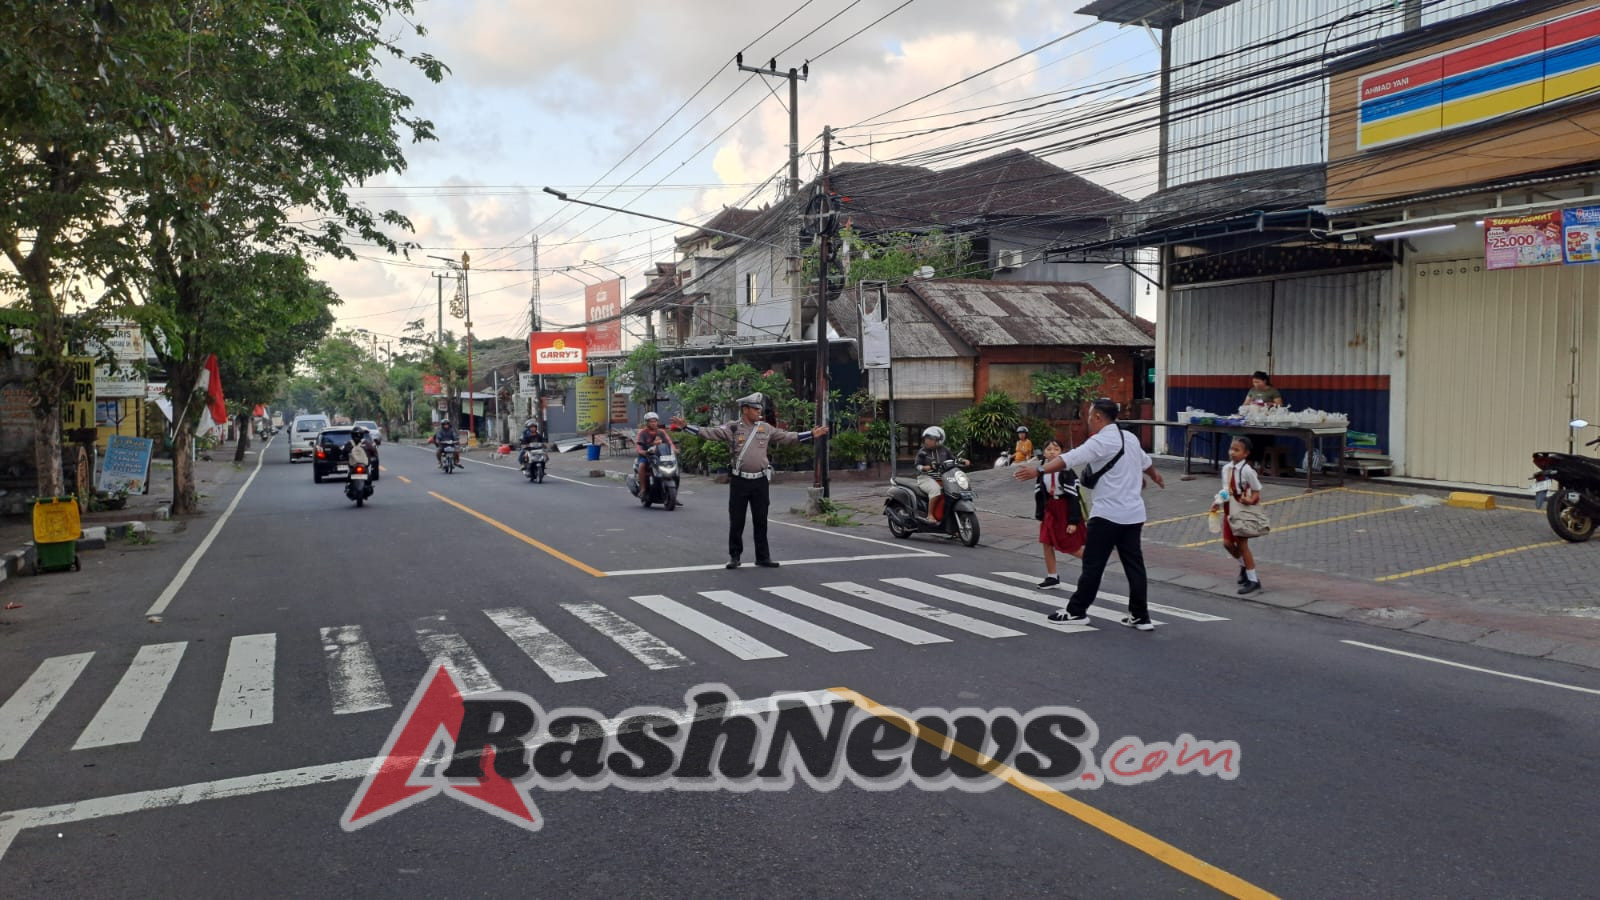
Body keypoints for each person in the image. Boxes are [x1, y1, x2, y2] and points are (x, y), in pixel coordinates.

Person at [1012, 398, 1165, 631]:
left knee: (1093, 564)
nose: (1087, 420)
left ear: (1098, 417)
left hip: (1106, 516)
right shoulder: (1130, 438)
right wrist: (1155, 476)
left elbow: (1068, 459)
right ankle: (1140, 616)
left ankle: (1077, 611)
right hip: (1133, 515)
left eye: (1089, 415)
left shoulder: (1101, 441)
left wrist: (1039, 469)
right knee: (1134, 565)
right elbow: (1146, 463)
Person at [672, 392, 828, 569]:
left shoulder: (765, 428)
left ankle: (763, 557)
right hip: (740, 481)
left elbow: (786, 437)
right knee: (737, 520)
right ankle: (735, 556)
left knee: (761, 520)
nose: (759, 412)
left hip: (760, 481)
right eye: (755, 409)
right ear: (745, 410)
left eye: (760, 409)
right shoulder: (732, 428)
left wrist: (810, 434)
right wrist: (686, 427)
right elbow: (709, 433)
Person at [1215, 436, 1265, 595]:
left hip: (1242, 510)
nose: (1232, 452)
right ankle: (1244, 566)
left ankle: (1253, 580)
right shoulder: (1226, 469)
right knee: (1227, 544)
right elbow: (1225, 490)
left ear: (1246, 454)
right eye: (1231, 449)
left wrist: (1249, 499)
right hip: (1229, 509)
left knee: (1243, 546)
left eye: (1237, 450)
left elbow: (1257, 491)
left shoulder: (1248, 471)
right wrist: (1217, 501)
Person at [1035, 440, 1085, 588]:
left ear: (1061, 453)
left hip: (1064, 508)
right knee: (1046, 541)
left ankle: (1094, 562)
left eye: (1056, 449)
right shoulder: (1041, 470)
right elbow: (1039, 493)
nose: (1052, 451)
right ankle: (1052, 576)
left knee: (1069, 545)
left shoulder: (1066, 471)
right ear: (1044, 453)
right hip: (1050, 509)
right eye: (1048, 449)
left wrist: (1073, 521)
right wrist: (1040, 513)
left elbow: (1073, 496)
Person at [913, 427, 969, 519]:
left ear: (939, 441)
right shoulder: (922, 451)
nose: (927, 441)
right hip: (925, 478)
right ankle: (930, 515)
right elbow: (916, 465)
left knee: (956, 490)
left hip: (943, 477)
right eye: (926, 439)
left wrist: (962, 460)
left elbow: (953, 459)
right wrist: (923, 467)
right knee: (935, 490)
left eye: (931, 439)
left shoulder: (944, 450)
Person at [634, 412, 675, 500]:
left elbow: (669, 442)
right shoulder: (642, 433)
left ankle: (674, 494)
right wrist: (642, 451)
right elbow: (638, 445)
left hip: (660, 456)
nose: (653, 423)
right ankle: (643, 489)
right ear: (647, 423)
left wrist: (674, 449)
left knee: (673, 467)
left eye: (655, 421)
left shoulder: (661, 432)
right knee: (642, 466)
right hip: (646, 456)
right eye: (651, 421)